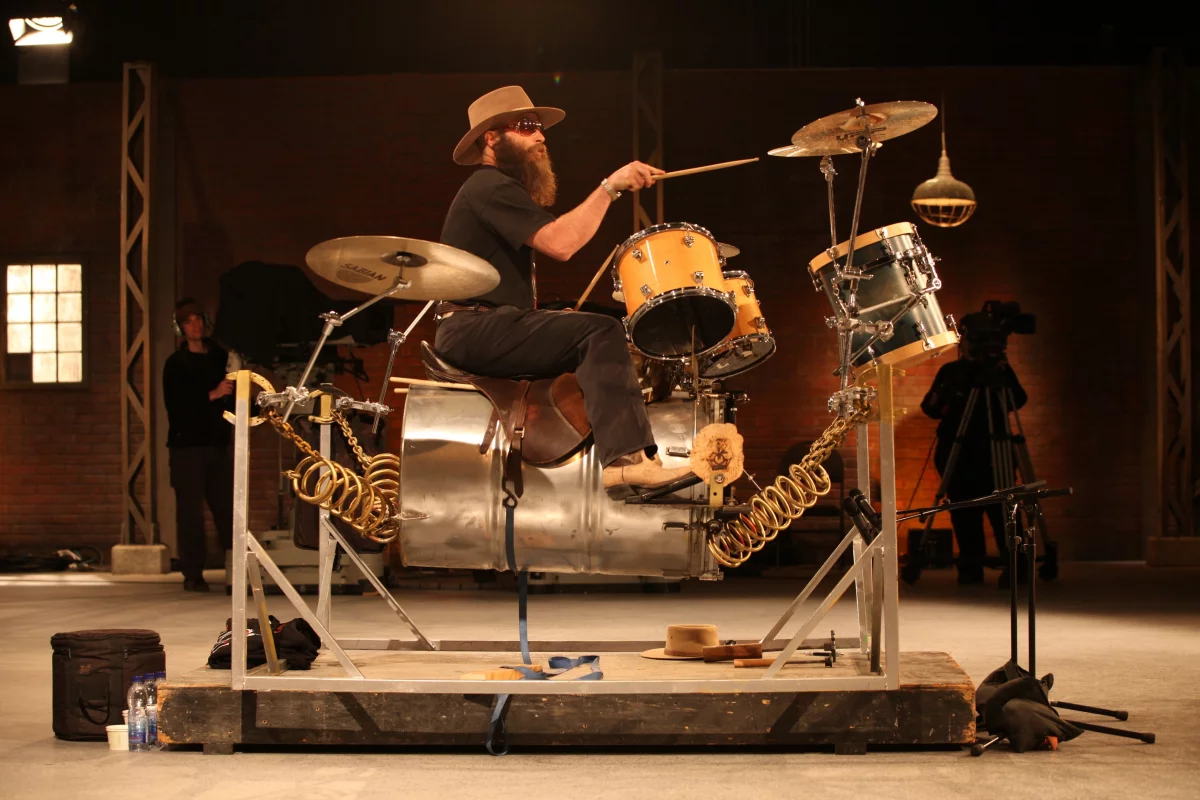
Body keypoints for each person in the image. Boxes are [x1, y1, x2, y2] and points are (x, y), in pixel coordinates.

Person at [435, 85, 692, 494]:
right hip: (471, 328)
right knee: (599, 331)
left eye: (539, 127)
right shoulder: (489, 185)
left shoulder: (497, 190)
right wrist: (610, 187)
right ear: (492, 138)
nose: (540, 136)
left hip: (486, 323)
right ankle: (626, 461)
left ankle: (638, 456)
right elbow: (561, 243)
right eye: (526, 126)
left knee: (591, 324)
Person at [920, 341, 1028, 586]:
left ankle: (1013, 565)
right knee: (965, 510)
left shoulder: (1000, 370)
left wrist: (1001, 375)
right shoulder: (952, 372)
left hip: (994, 451)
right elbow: (931, 407)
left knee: (1004, 509)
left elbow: (1018, 400)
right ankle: (972, 565)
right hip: (960, 451)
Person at [163, 299, 235, 592]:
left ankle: (235, 571)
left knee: (227, 510)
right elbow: (176, 407)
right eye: (189, 321)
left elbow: (232, 394)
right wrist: (212, 395)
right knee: (190, 514)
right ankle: (193, 573)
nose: (195, 326)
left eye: (198, 320)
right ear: (180, 327)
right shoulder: (175, 365)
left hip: (217, 444)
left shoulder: (219, 357)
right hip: (187, 448)